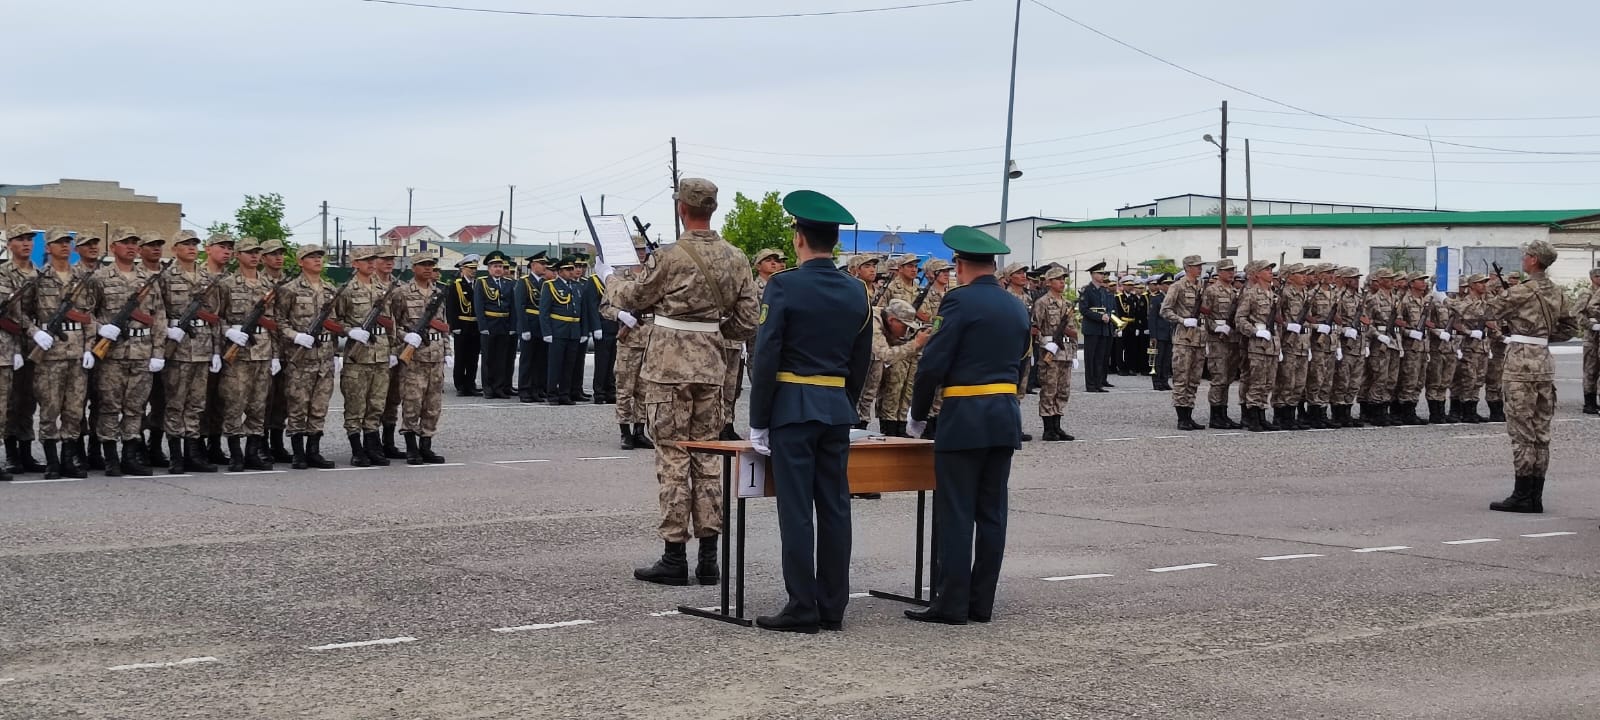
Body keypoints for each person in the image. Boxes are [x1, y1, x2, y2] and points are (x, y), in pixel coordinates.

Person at [609, 178, 759, 588]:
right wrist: (710, 332)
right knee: (708, 457)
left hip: (668, 367)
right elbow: (748, 320)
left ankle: (674, 556)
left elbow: (636, 297)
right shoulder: (736, 257)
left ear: (682, 209)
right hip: (712, 366)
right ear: (712, 208)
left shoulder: (670, 256)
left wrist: (612, 280)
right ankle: (709, 559)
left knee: (674, 458)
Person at [747, 190, 873, 634]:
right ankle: (832, 606)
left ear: (799, 238)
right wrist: (846, 403)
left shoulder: (783, 285)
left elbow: (767, 356)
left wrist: (758, 418)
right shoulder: (858, 290)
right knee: (836, 507)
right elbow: (862, 358)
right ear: (833, 242)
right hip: (835, 409)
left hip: (792, 410)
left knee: (797, 509)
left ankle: (802, 606)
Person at [904, 225, 1028, 626]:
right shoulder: (1015, 305)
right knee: (992, 513)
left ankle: (952, 604)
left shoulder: (958, 302)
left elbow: (932, 365)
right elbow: (1023, 362)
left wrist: (918, 414)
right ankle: (981, 603)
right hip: (1004, 415)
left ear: (959, 264)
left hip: (965, 416)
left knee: (956, 512)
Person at [1488, 241, 1579, 514]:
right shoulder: (1557, 291)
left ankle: (1522, 494)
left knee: (1521, 431)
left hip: (1520, 365)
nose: (1524, 258)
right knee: (1541, 432)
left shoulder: (1523, 290)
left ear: (1534, 260)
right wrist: (1541, 337)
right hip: (1543, 361)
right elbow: (1570, 327)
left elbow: (1483, 312)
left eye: (1526, 255)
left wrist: (1447, 301)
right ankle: (1535, 495)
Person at [87, 227, 165, 477]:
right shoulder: (100, 278)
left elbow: (159, 316)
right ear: (114, 247)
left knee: (136, 407)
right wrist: (102, 329)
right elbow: (88, 314)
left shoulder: (149, 279)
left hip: (142, 350)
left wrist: (158, 352)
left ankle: (130, 456)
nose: (131, 247)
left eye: (134, 243)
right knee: (109, 406)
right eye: (125, 242)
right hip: (112, 353)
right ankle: (110, 458)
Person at [26, 228, 93, 479]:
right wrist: (35, 333)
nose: (65, 246)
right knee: (50, 408)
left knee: (74, 410)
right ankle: (52, 462)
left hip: (76, 351)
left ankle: (69, 460)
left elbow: (90, 316)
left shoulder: (83, 278)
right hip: (49, 352)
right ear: (47, 247)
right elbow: (22, 313)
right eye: (59, 242)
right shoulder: (37, 277)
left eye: (68, 242)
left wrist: (89, 348)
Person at [216, 237, 278, 472]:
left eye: (257, 252)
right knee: (234, 403)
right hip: (238, 353)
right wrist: (228, 332)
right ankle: (235, 454)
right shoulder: (226, 284)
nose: (254, 256)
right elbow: (216, 317)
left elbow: (275, 322)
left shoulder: (269, 286)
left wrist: (275, 355)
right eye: (249, 252)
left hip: (262, 351)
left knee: (258, 405)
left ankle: (253, 452)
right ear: (238, 255)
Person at [275, 244, 339, 470]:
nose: (317, 261)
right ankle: (298, 453)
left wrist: (336, 351)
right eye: (311, 257)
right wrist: (296, 336)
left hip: (324, 357)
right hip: (300, 358)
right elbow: (280, 322)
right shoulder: (289, 289)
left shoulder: (330, 290)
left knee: (319, 406)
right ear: (300, 262)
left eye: (319, 257)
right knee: (298, 405)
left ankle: (314, 451)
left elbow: (335, 323)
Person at [335, 246, 395, 467]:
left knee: (376, 404)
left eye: (372, 260)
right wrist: (350, 331)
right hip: (357, 356)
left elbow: (392, 321)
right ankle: (357, 449)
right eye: (365, 260)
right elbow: (335, 320)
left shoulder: (384, 288)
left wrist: (394, 349)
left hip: (381, 353)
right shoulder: (346, 290)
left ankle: (373, 445)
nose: (371, 263)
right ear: (355, 264)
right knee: (355, 404)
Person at [391, 252, 451, 465]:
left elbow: (443, 324)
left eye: (431, 265)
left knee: (433, 404)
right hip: (414, 357)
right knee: (412, 402)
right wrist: (405, 337)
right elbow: (393, 324)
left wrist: (447, 351)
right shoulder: (402, 293)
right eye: (423, 265)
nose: (428, 268)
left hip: (435, 355)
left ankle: (426, 445)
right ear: (413, 268)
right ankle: (411, 447)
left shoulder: (438, 292)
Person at [603, 236, 655, 450]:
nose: (641, 253)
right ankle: (625, 432)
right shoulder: (617, 277)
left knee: (645, 389)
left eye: (643, 249)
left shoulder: (652, 275)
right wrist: (623, 316)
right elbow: (605, 307)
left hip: (651, 339)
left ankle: (640, 431)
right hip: (629, 341)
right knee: (625, 388)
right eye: (637, 249)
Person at [3, 225, 45, 475]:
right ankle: (11, 455)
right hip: (8, 343)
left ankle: (26, 453)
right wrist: (28, 334)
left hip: (37, 346)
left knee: (28, 401)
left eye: (30, 239)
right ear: (10, 244)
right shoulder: (3, 273)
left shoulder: (40, 273)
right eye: (20, 239)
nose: (26, 243)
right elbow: (10, 312)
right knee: (8, 401)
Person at [539, 255, 598, 406]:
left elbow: (583, 311)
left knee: (569, 365)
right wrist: (547, 332)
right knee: (555, 364)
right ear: (559, 271)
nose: (572, 271)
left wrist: (584, 332)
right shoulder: (550, 286)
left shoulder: (578, 287)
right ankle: (552, 394)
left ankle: (565, 394)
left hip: (574, 331)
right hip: (558, 330)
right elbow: (544, 311)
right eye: (568, 269)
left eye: (573, 268)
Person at [1160, 256, 1208, 430]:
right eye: (1196, 266)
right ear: (1187, 267)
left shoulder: (1202, 286)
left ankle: (1189, 415)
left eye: (1200, 266)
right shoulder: (1177, 286)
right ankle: (1182, 418)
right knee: (1182, 379)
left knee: (1194, 380)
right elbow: (1165, 310)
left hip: (1200, 340)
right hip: (1184, 340)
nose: (1199, 269)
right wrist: (1182, 320)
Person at [1032, 266, 1078, 441]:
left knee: (1063, 390)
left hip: (1065, 352)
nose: (1062, 282)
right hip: (1050, 353)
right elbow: (1035, 327)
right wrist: (1046, 343)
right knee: (1049, 389)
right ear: (1049, 282)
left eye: (1063, 279)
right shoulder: (1042, 302)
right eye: (1058, 279)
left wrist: (1073, 352)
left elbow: (1073, 330)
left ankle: (1057, 426)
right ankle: (1048, 428)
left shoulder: (1067, 304)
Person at [258, 239, 294, 462]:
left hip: (290, 348)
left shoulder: (292, 282)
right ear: (263, 258)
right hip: (264, 347)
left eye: (281, 253)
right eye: (273, 254)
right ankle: (260, 444)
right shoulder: (259, 282)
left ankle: (278, 443)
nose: (278, 258)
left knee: (283, 398)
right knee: (263, 399)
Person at [1233, 260, 1279, 432]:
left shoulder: (1273, 294)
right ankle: (1252, 418)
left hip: (1273, 344)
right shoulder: (1251, 294)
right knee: (1257, 382)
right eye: (1266, 270)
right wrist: (1254, 331)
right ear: (1257, 274)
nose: (1270, 272)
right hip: (1258, 344)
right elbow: (1239, 319)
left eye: (1271, 270)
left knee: (1268, 383)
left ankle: (1261, 415)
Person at [1201, 259, 1242, 429]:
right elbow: (1205, 314)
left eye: (1232, 270)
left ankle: (1223, 413)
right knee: (1219, 378)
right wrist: (1217, 327)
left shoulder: (1235, 291)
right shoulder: (1211, 291)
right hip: (1218, 339)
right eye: (1227, 270)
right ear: (1219, 272)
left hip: (1232, 339)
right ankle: (1215, 415)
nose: (1231, 273)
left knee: (1228, 378)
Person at [1450, 273, 1494, 423]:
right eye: (1480, 283)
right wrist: (1469, 332)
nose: (1484, 285)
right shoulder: (1465, 302)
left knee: (1479, 379)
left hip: (1483, 345)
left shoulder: (1485, 302)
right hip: (1469, 345)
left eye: (1485, 282)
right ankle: (1465, 411)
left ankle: (1472, 410)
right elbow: (1456, 323)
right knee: (1468, 379)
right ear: (1472, 285)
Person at [474, 252, 516, 399]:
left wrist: (512, 327)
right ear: (489, 268)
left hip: (504, 324)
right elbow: (479, 306)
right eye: (495, 266)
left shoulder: (509, 283)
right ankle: (488, 388)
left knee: (501, 358)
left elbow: (513, 307)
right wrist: (483, 326)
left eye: (500, 266)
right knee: (488, 358)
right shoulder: (482, 282)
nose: (498, 269)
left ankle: (499, 387)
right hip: (489, 323)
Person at [847, 255, 883, 427]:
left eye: (873, 266)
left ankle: (864, 423)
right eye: (866, 266)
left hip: (878, 349)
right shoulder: (853, 291)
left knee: (871, 391)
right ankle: (851, 421)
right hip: (858, 348)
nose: (872, 269)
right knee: (855, 387)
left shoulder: (880, 293)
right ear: (855, 270)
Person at [514, 252, 551, 403]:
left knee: (540, 360)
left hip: (541, 326)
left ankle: (536, 389)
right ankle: (525, 390)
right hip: (529, 323)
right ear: (533, 265)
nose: (545, 267)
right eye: (542, 264)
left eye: (545, 264)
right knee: (527, 360)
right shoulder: (524, 282)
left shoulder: (544, 283)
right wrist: (524, 329)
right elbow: (520, 306)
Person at [446, 255, 481, 397]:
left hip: (475, 325)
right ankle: (460, 384)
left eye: (475, 268)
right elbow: (451, 307)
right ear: (463, 269)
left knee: (473, 358)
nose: (473, 271)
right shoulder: (456, 285)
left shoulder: (478, 284)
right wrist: (454, 326)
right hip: (462, 324)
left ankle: (470, 384)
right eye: (470, 268)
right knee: (461, 357)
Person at [1078, 262, 1115, 392]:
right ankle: (1091, 384)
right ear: (1093, 275)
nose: (1102, 275)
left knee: (1100, 357)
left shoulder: (1104, 291)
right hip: (1092, 328)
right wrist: (1100, 317)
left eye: (1103, 273)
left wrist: (1108, 315)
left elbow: (1109, 307)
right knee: (1091, 357)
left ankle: (1098, 383)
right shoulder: (1087, 290)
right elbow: (1084, 309)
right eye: (1100, 273)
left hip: (1103, 329)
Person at [1146, 274, 1173, 392]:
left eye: (1171, 284)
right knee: (1158, 359)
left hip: (1170, 333)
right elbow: (1152, 319)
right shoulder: (1156, 299)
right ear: (1161, 286)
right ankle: (1157, 382)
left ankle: (1164, 380)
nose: (1169, 286)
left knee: (1167, 359)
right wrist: (1153, 335)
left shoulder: (1172, 298)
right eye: (1167, 284)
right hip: (1159, 333)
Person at [1580, 268, 1600, 415]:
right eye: (1598, 276)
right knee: (1590, 370)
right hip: (1591, 338)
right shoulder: (1586, 293)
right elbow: (1577, 313)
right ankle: (1589, 403)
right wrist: (1591, 325)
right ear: (1592, 277)